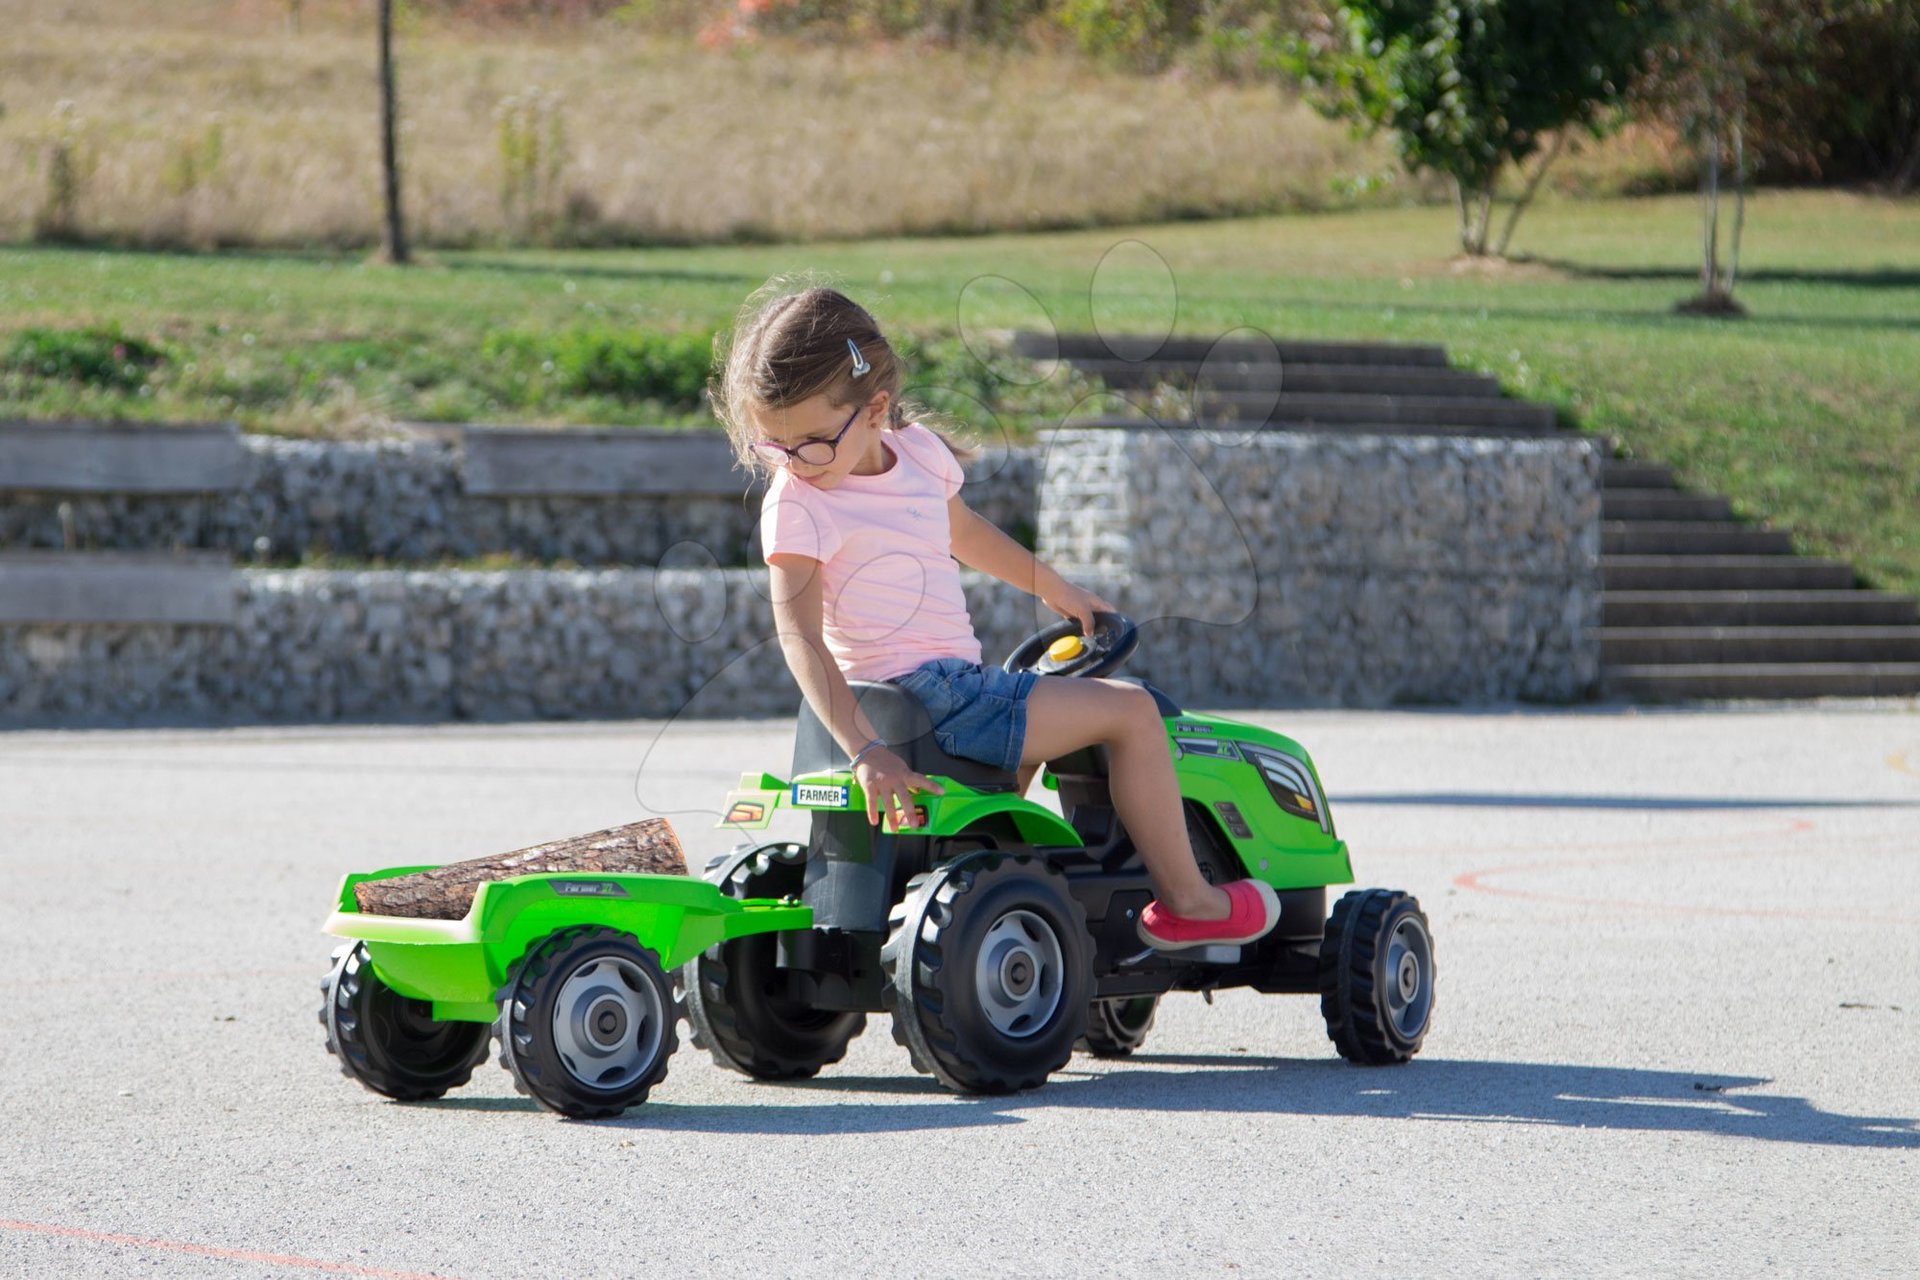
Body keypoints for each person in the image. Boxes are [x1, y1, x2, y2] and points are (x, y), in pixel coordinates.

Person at [708, 280, 1278, 952]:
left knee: (1024, 726)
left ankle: (1018, 889)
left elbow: (964, 533)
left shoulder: (917, 455)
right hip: (933, 696)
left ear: (874, 409)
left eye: (808, 442)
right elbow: (798, 636)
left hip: (953, 690)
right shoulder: (800, 501)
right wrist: (867, 751)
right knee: (1133, 712)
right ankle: (1189, 900)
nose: (791, 463)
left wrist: (1057, 590)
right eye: (773, 446)